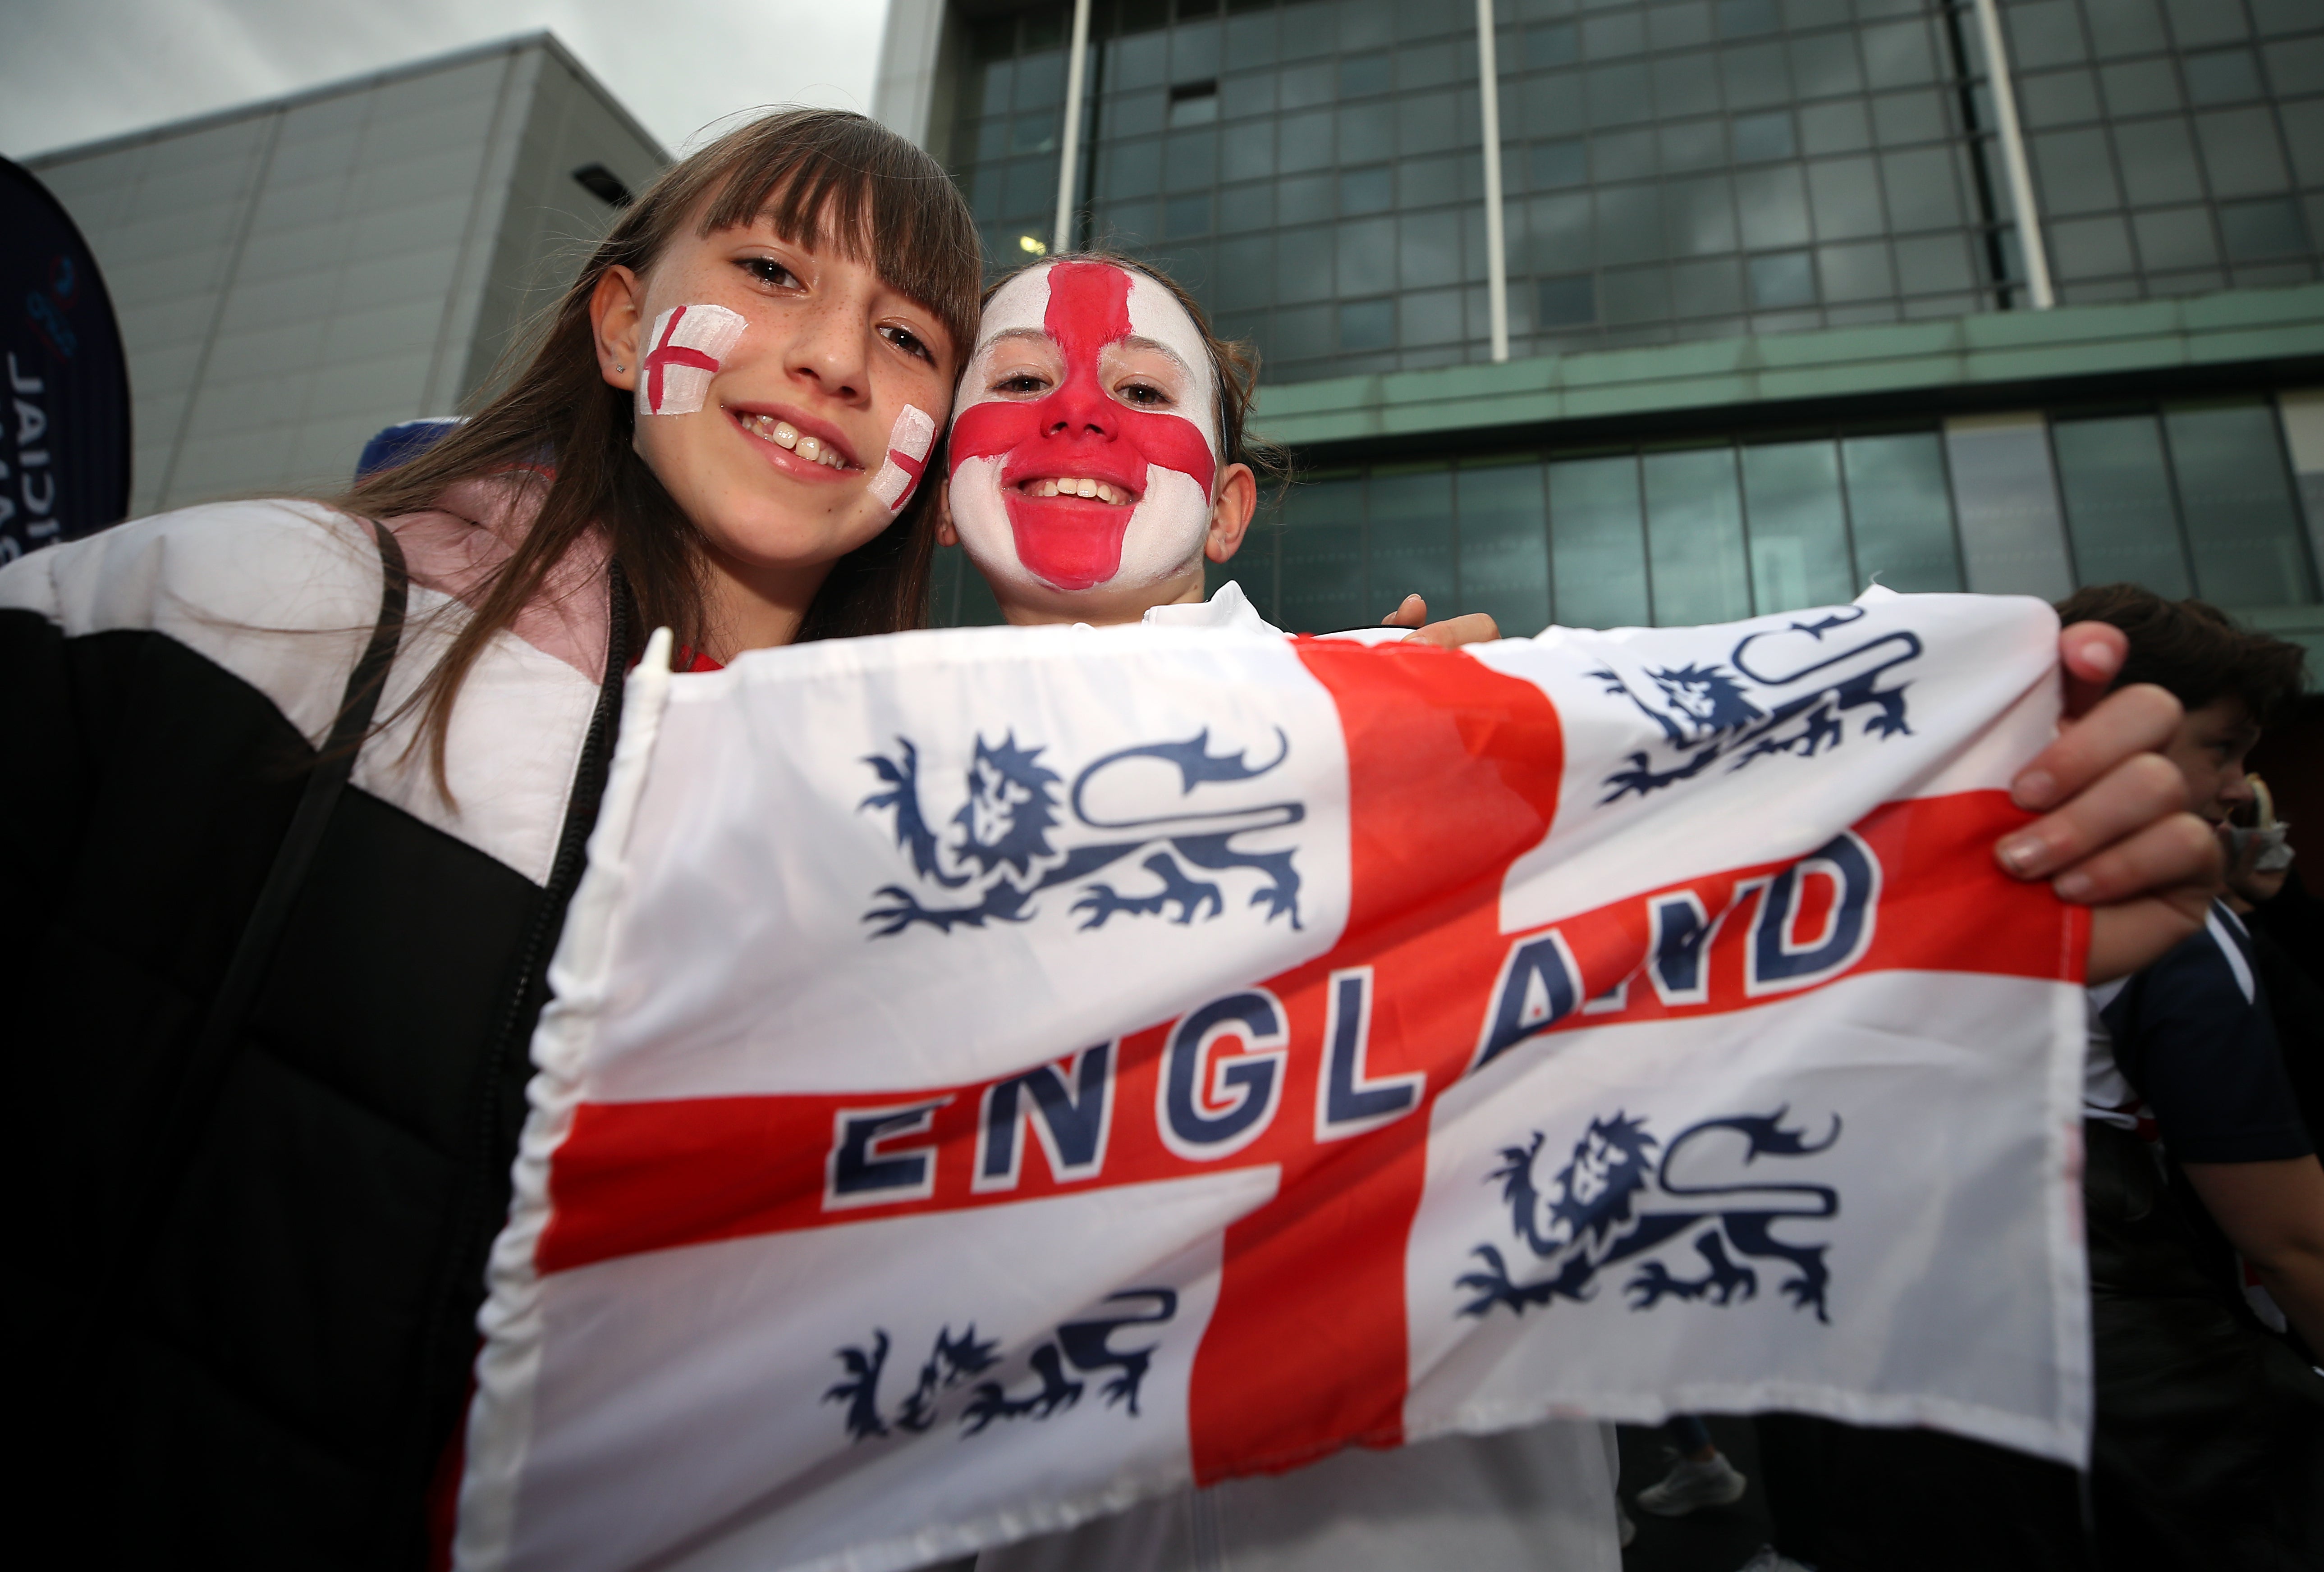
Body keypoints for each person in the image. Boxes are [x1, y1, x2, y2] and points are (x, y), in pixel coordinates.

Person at [925, 252, 2227, 1572]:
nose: (1075, 411)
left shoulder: (1455, 731)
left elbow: (1736, 936)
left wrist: (1983, 838)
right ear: (935, 494)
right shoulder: (823, 839)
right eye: (1022, 378)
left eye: (1139, 386)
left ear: (1227, 508)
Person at [0, 108, 980, 1568]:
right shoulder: (238, 612)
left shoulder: (915, 867)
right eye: (774, 269)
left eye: (908, 337)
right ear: (619, 318)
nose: (837, 357)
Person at [2053, 585, 2324, 1571]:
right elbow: (2293, 1240)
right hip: (2169, 1411)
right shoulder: (2166, 926)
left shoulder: (1933, 886)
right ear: (2110, 729)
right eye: (2221, 747)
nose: (2236, 786)